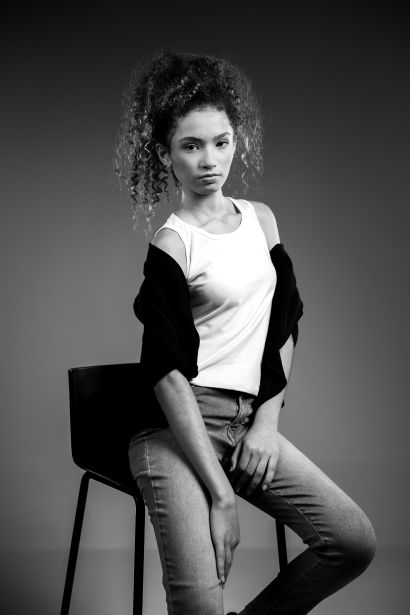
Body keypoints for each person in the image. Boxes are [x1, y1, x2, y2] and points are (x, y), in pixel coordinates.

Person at [114, 50, 376, 615]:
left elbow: (285, 323)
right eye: (191, 146)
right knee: (199, 602)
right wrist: (221, 495)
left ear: (237, 141)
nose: (210, 160)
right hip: (177, 431)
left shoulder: (261, 219)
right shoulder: (172, 244)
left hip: (249, 421)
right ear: (164, 154)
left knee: (352, 542)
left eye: (222, 142)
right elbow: (166, 374)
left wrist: (266, 423)